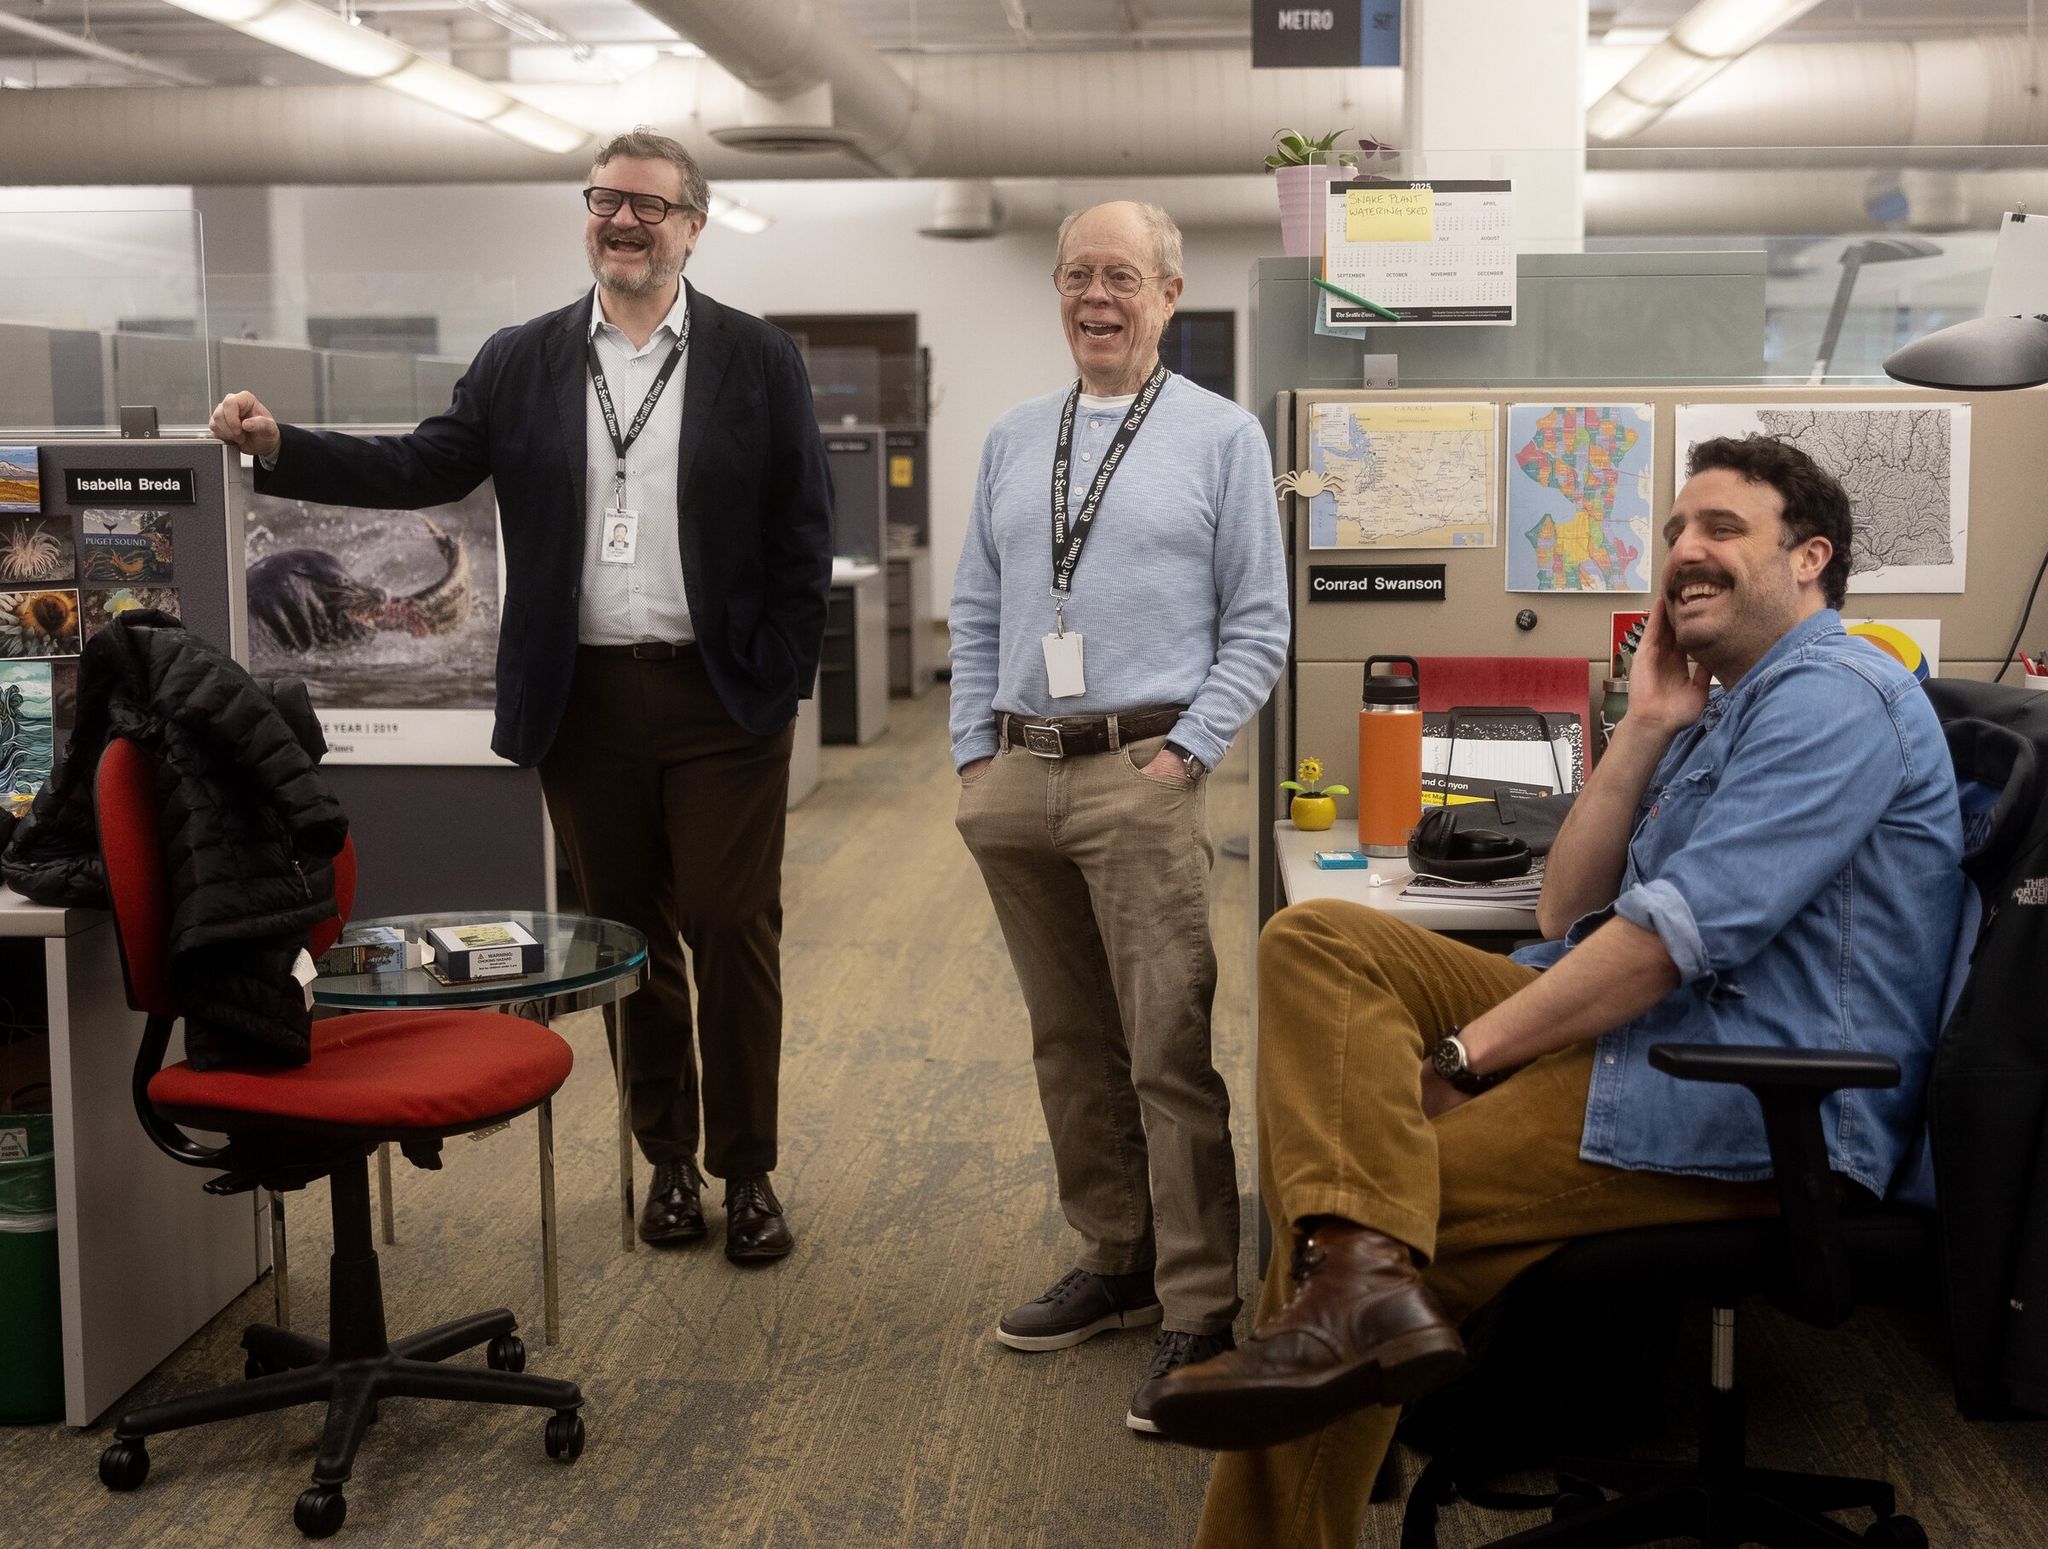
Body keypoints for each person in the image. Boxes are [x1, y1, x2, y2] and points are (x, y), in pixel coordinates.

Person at [1152, 435, 1965, 1547]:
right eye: (1676, 531)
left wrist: (1463, 1061)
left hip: (1744, 1094)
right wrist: (1639, 727)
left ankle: (1344, 1300)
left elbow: (1660, 946)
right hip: (1651, 1037)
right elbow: (1565, 910)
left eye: (1720, 529)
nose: (1684, 549)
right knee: (1318, 942)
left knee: (1354, 1220)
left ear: (1809, 557)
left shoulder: (1835, 699)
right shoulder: (1725, 704)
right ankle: (1358, 1287)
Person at [208, 129, 833, 1265]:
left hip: (719, 700)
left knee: (732, 926)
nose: (624, 222)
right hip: (582, 702)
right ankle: (670, 1165)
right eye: (605, 202)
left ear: (693, 223)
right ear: (587, 218)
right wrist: (280, 445)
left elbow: (801, 528)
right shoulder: (523, 358)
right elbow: (421, 469)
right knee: (630, 939)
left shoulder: (755, 358)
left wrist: (781, 675)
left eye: (649, 205)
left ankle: (748, 1171)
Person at [948, 200, 1289, 1432]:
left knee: (1164, 1047)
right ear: (1056, 289)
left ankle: (1198, 1305)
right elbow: (976, 605)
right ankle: (1116, 1257)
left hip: (1141, 771)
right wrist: (969, 755)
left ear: (1169, 293)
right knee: (1065, 1041)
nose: (1098, 296)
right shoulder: (1010, 435)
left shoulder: (1219, 436)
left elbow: (1260, 625)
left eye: (1123, 278)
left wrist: (1186, 755)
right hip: (1018, 772)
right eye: (1078, 275)